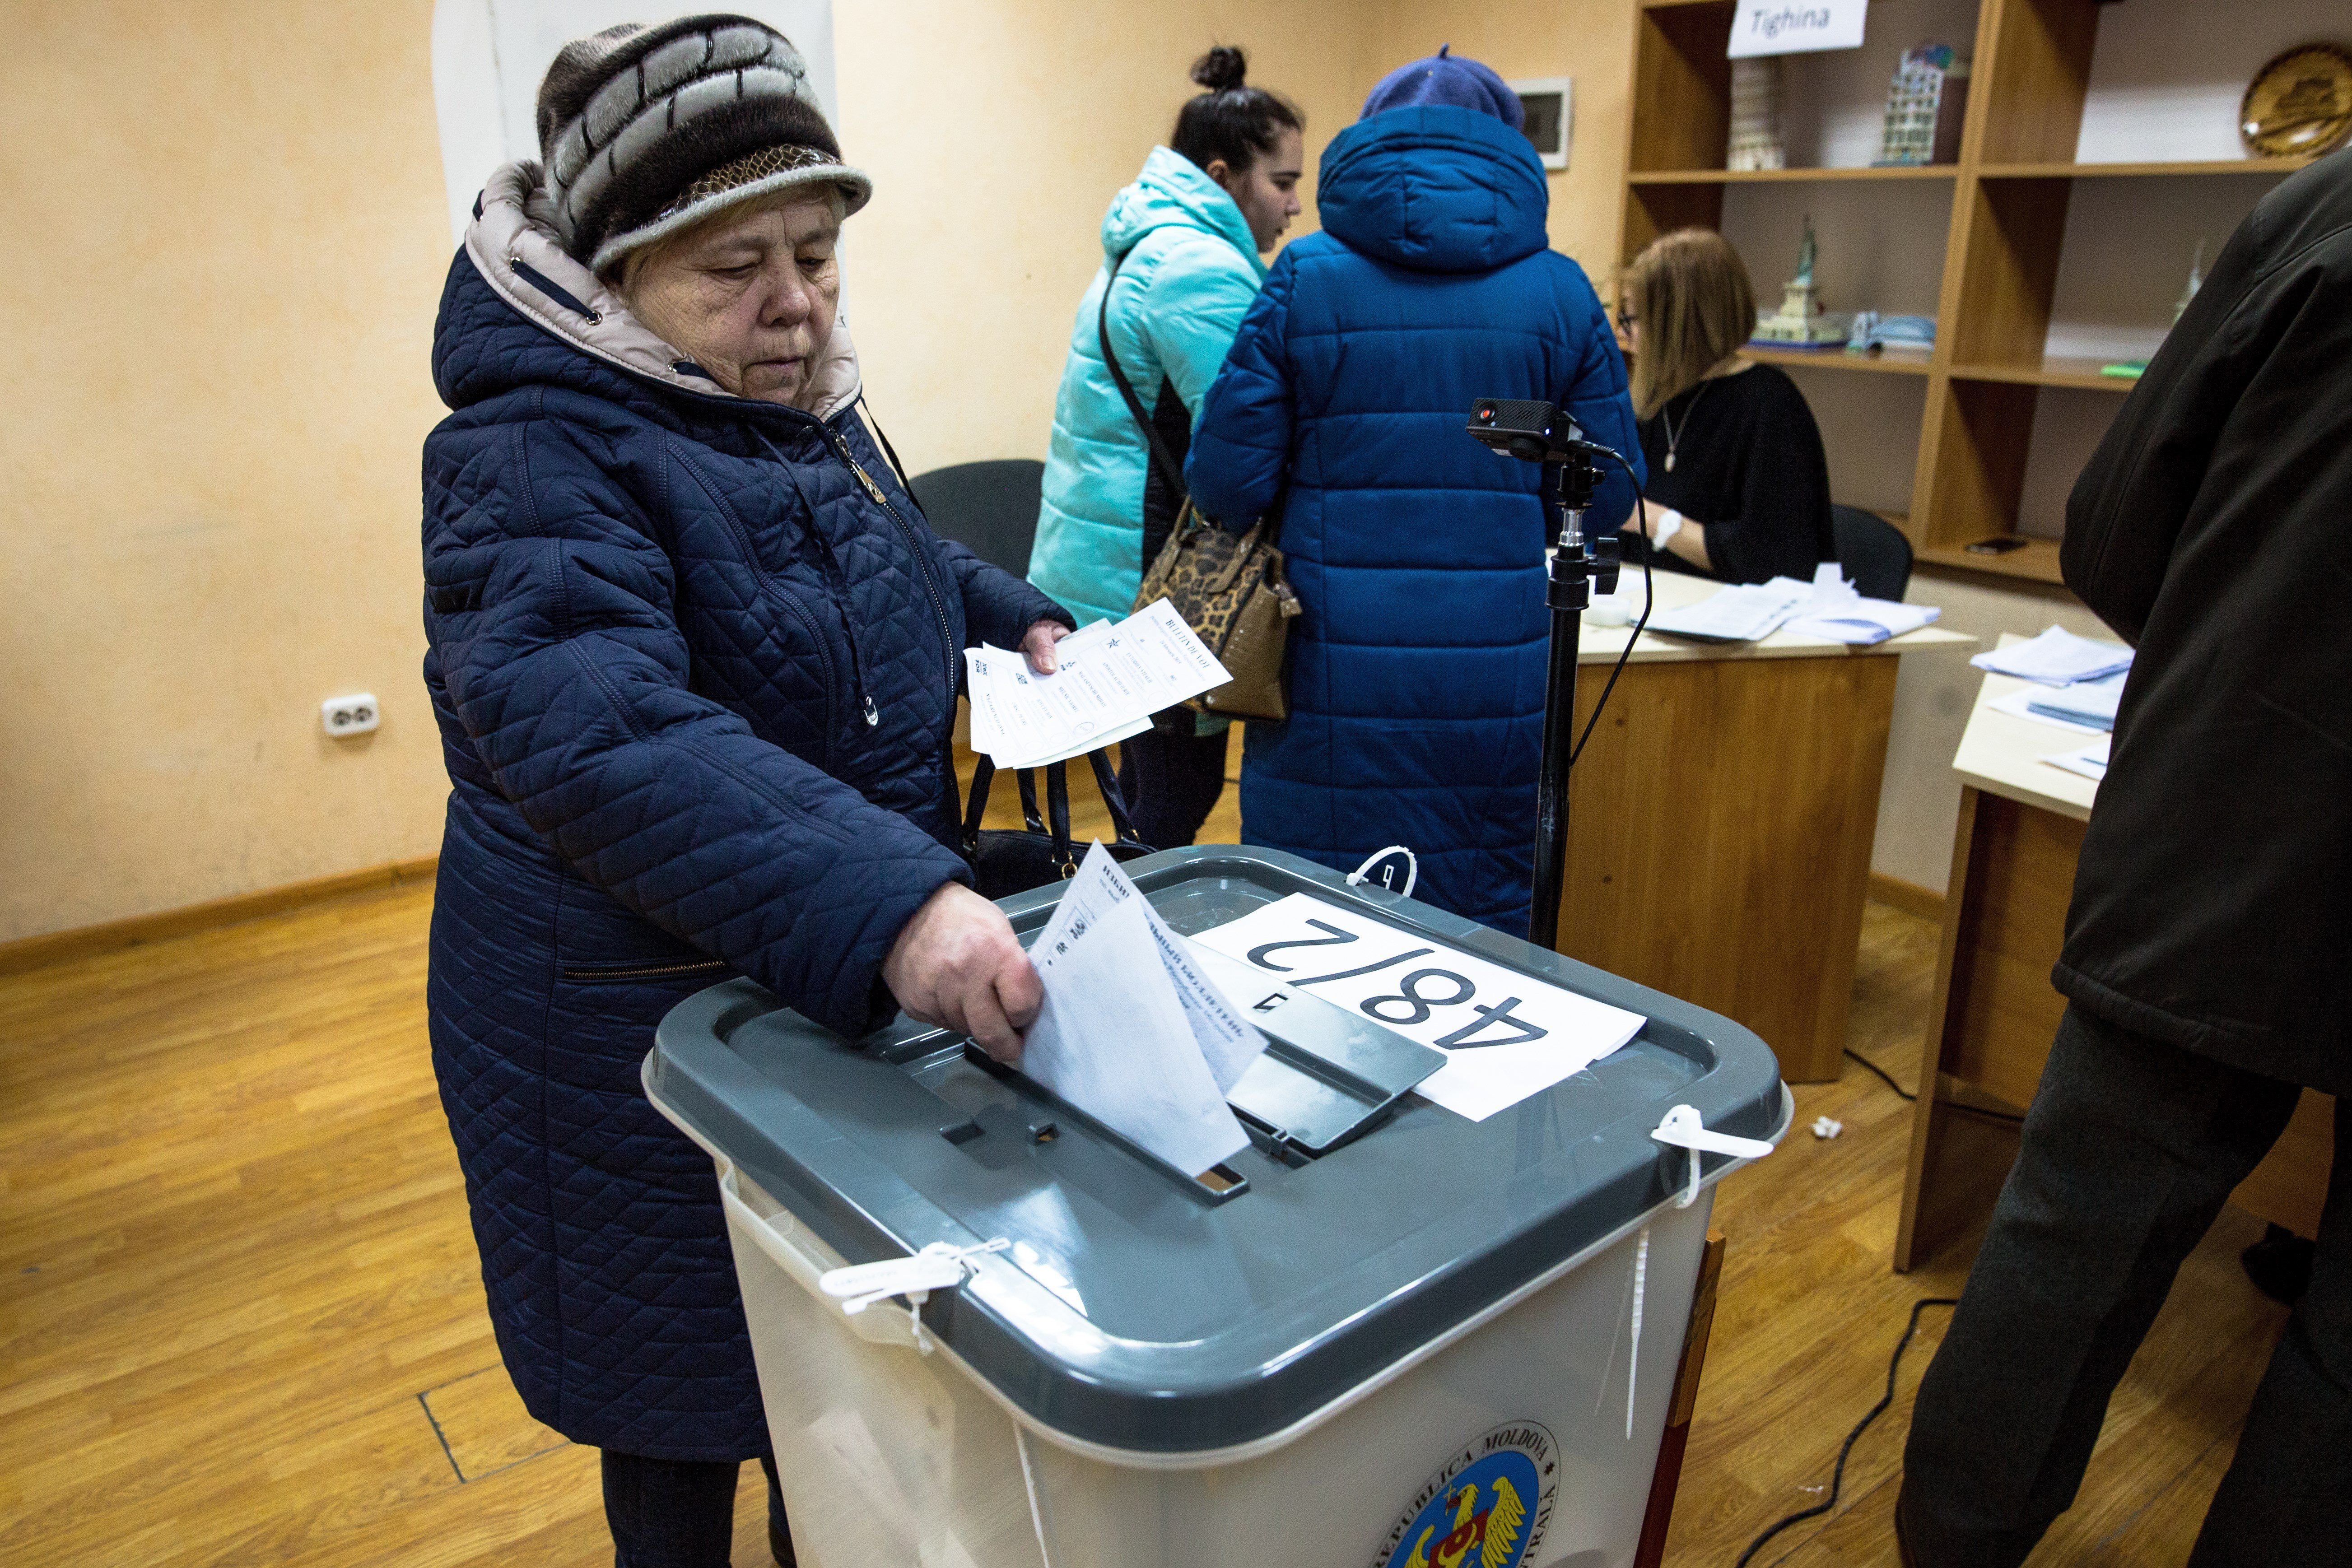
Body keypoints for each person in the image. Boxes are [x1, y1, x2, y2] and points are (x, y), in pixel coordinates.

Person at [419, 17, 1070, 1564]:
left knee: (819, 1382)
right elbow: (599, 723)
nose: (793, 304)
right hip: (617, 1030)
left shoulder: (790, 401)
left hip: (782, 981)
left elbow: (871, 547)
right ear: (611, 274)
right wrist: (899, 901)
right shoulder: (525, 453)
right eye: (732, 267)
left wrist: (1005, 608)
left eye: (817, 254)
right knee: (682, 1410)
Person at [1896, 150, 2352, 1568]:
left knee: (2070, 1235)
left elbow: (2111, 527)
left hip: (2232, 812)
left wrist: (2236, 659)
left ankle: (1949, 1544)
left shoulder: (2326, 205)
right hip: (2236, 814)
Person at [1184, 46, 1641, 934]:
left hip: (1329, 663)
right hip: (1494, 672)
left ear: (1368, 144)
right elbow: (1607, 495)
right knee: (1481, 918)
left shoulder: (1304, 277)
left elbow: (1224, 482)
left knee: (1308, 914)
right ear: (1510, 152)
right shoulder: (1562, 295)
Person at [1028, 46, 1304, 849]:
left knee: (1151, 786)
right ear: (1222, 175)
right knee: (1175, 796)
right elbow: (1251, 435)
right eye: (1282, 183)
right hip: (1162, 583)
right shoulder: (1197, 268)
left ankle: (1102, 935)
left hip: (1113, 570)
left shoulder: (1147, 241)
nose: (1293, 207)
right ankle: (1100, 944)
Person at [1613, 228, 1832, 583]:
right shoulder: (1652, 399)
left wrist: (1652, 520)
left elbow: (1769, 558)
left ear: (1680, 326)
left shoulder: (1771, 408)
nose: (1623, 334)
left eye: (1633, 320)